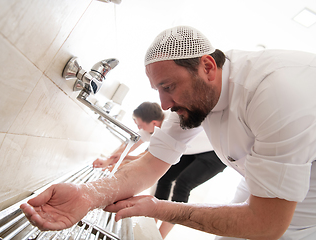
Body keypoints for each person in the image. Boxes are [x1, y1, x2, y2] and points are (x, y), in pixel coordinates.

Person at [20, 26, 316, 239]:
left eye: (168, 87)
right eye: (158, 90)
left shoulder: (275, 94)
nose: (163, 104)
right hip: (258, 184)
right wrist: (87, 195)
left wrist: (160, 209)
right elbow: (152, 163)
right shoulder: (197, 90)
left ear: (208, 67)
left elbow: (266, 225)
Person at [93, 101, 226, 238]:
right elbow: (131, 142)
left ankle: (160, 236)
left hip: (215, 151)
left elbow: (149, 156)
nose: (139, 128)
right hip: (192, 150)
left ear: (154, 123)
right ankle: (152, 225)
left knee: (183, 184)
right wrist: (108, 160)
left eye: (140, 125)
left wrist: (121, 159)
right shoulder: (152, 124)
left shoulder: (170, 125)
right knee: (164, 178)